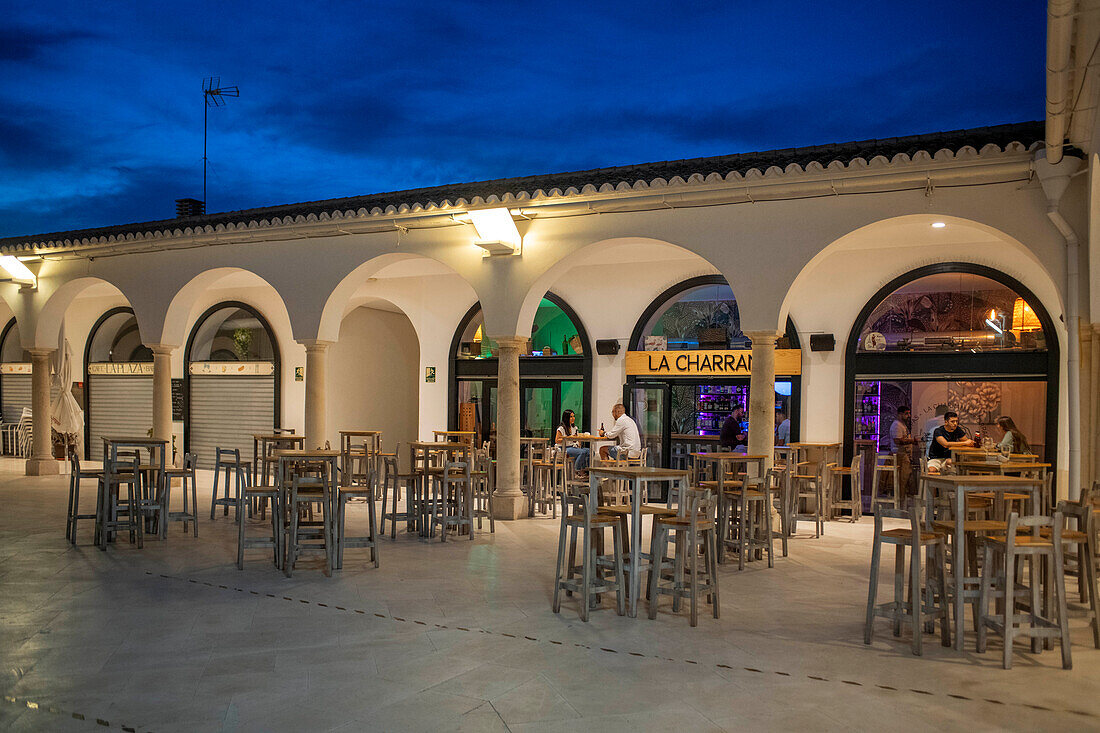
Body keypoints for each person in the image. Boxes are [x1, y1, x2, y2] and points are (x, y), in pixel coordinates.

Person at [888, 405, 918, 493]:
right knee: (901, 479)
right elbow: (897, 440)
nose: (908, 416)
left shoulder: (902, 425)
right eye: (906, 414)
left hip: (903, 455)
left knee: (905, 479)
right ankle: (899, 498)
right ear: (900, 414)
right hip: (898, 455)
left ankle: (902, 498)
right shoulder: (896, 425)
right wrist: (912, 441)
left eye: (909, 413)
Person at [555, 409, 589, 477]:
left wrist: (577, 440)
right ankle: (577, 470)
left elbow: (576, 439)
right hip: (564, 448)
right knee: (582, 452)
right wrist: (568, 438)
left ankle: (585, 469)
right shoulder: (561, 428)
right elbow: (557, 440)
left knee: (589, 451)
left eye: (573, 416)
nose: (573, 418)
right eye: (571, 417)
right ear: (566, 418)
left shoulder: (574, 428)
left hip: (573, 447)